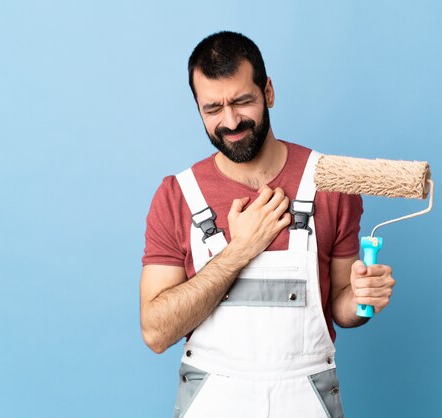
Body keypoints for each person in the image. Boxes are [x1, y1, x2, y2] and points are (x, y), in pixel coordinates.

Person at [140, 31, 396, 418]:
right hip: (213, 399)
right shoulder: (177, 195)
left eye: (242, 101)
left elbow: (341, 306)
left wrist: (362, 299)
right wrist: (240, 249)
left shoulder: (329, 183)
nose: (230, 121)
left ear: (268, 92)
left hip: (307, 398)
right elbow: (156, 332)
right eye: (212, 109)